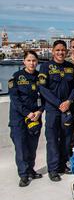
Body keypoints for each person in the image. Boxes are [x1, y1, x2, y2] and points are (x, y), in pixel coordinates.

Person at [38, 40, 74, 181]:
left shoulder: (70, 67)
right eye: (58, 50)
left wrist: (68, 102)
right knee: (53, 139)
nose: (61, 52)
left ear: (66, 51)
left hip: (67, 109)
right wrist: (58, 103)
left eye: (63, 50)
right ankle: (53, 169)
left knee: (66, 139)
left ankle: (62, 164)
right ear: (53, 51)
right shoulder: (45, 67)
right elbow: (43, 89)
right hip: (52, 110)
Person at [9, 51, 44, 187]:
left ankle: (30, 169)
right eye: (29, 60)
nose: (32, 63)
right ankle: (23, 175)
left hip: (35, 117)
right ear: (24, 61)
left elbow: (45, 96)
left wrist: (40, 111)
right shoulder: (16, 77)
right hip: (19, 119)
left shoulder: (40, 77)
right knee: (21, 147)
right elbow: (15, 99)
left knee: (32, 146)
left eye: (34, 60)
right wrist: (27, 113)